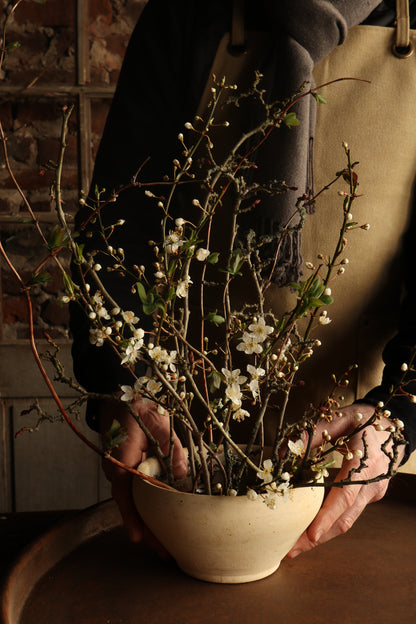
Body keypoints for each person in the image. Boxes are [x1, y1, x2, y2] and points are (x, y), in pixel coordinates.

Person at [70, 0, 416, 557]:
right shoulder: (185, 14)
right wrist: (119, 387)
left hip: (364, 478)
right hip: (190, 472)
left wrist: (400, 419)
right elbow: (117, 231)